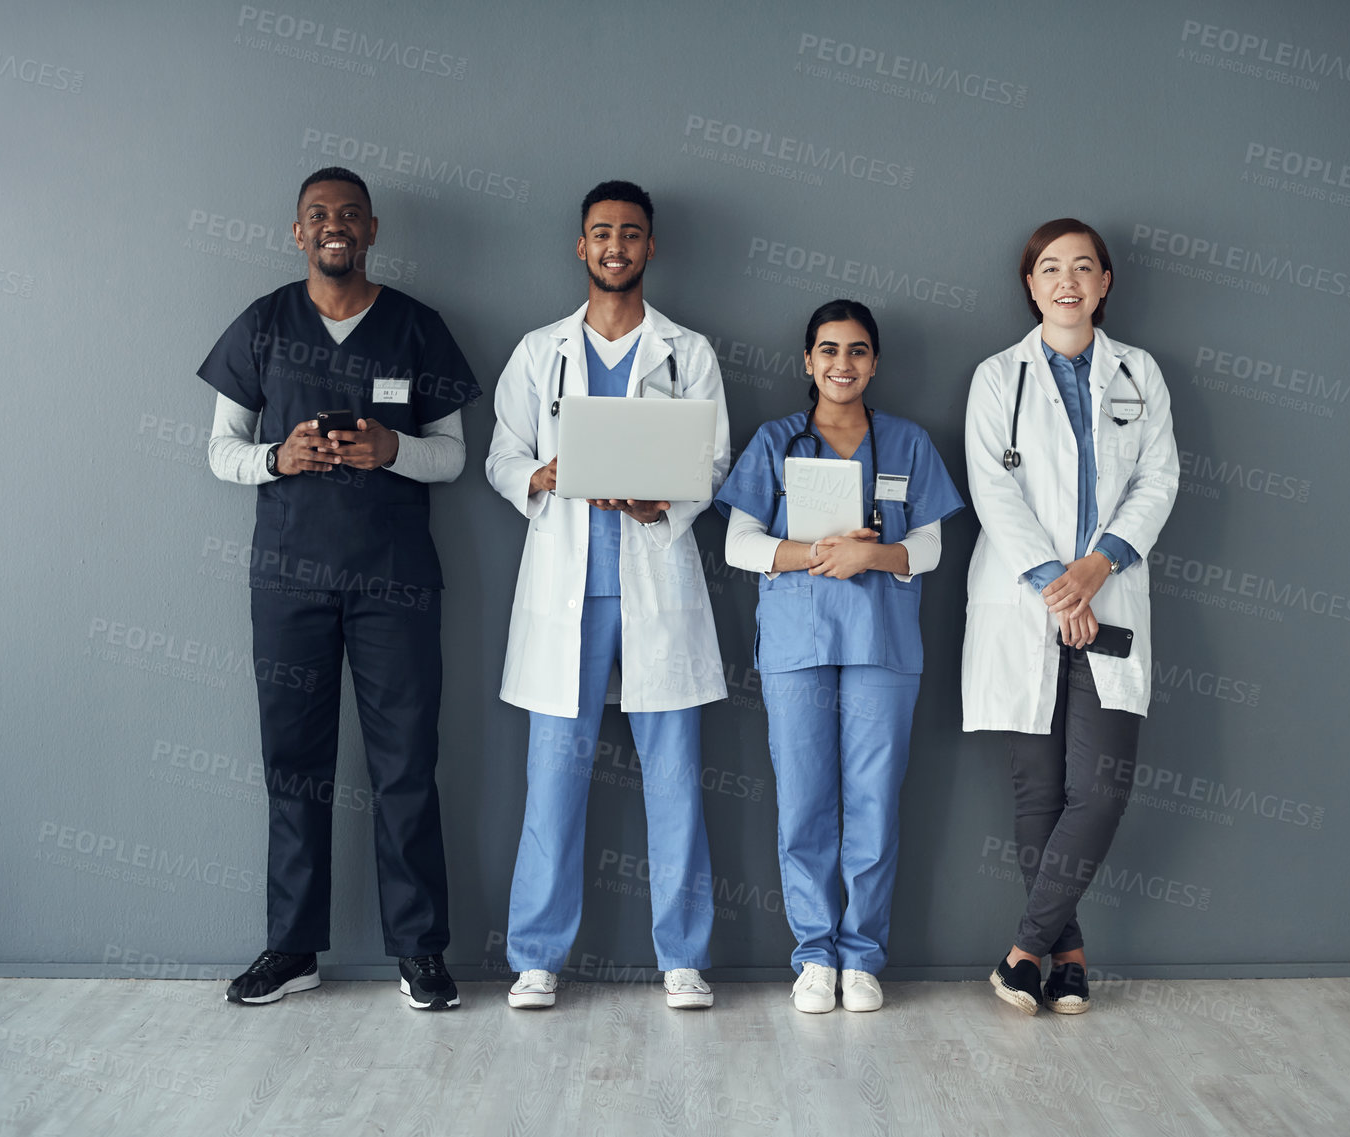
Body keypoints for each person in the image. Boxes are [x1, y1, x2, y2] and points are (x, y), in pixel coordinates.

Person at [199, 166, 479, 1010]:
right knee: (294, 765)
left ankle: (420, 950)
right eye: (319, 215)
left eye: (350, 215)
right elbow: (220, 451)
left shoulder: (417, 328)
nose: (335, 226)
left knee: (405, 766)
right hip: (290, 581)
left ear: (372, 229)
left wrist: (393, 449)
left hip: (394, 584)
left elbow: (454, 455)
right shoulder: (262, 325)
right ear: (298, 232)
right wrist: (277, 458)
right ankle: (292, 947)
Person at [485, 180, 731, 1010]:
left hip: (655, 583)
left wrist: (667, 499)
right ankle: (537, 956)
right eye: (601, 233)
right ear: (580, 248)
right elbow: (500, 457)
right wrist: (540, 476)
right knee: (552, 783)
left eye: (631, 233)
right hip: (568, 592)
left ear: (651, 247)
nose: (616, 245)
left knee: (676, 783)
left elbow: (717, 463)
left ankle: (684, 959)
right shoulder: (537, 351)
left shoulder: (687, 351)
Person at [715, 300, 963, 1014]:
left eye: (857, 351)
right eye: (828, 350)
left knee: (874, 804)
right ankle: (814, 954)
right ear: (807, 361)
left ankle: (861, 956)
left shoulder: (908, 443)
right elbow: (740, 543)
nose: (842, 364)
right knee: (804, 803)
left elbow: (932, 548)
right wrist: (819, 555)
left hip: (882, 644)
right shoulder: (775, 442)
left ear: (874, 362)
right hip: (798, 641)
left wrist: (872, 555)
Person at [962, 219, 1178, 1016]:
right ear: (1030, 283)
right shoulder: (997, 377)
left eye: (1083, 267)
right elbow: (994, 489)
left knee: (1101, 788)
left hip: (1109, 592)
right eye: (1050, 267)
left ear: (1106, 282)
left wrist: (1098, 568)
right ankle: (1072, 958)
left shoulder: (1141, 373)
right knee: (1039, 792)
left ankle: (1023, 951)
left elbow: (1159, 479)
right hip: (1029, 603)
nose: (1067, 281)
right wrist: (1060, 587)